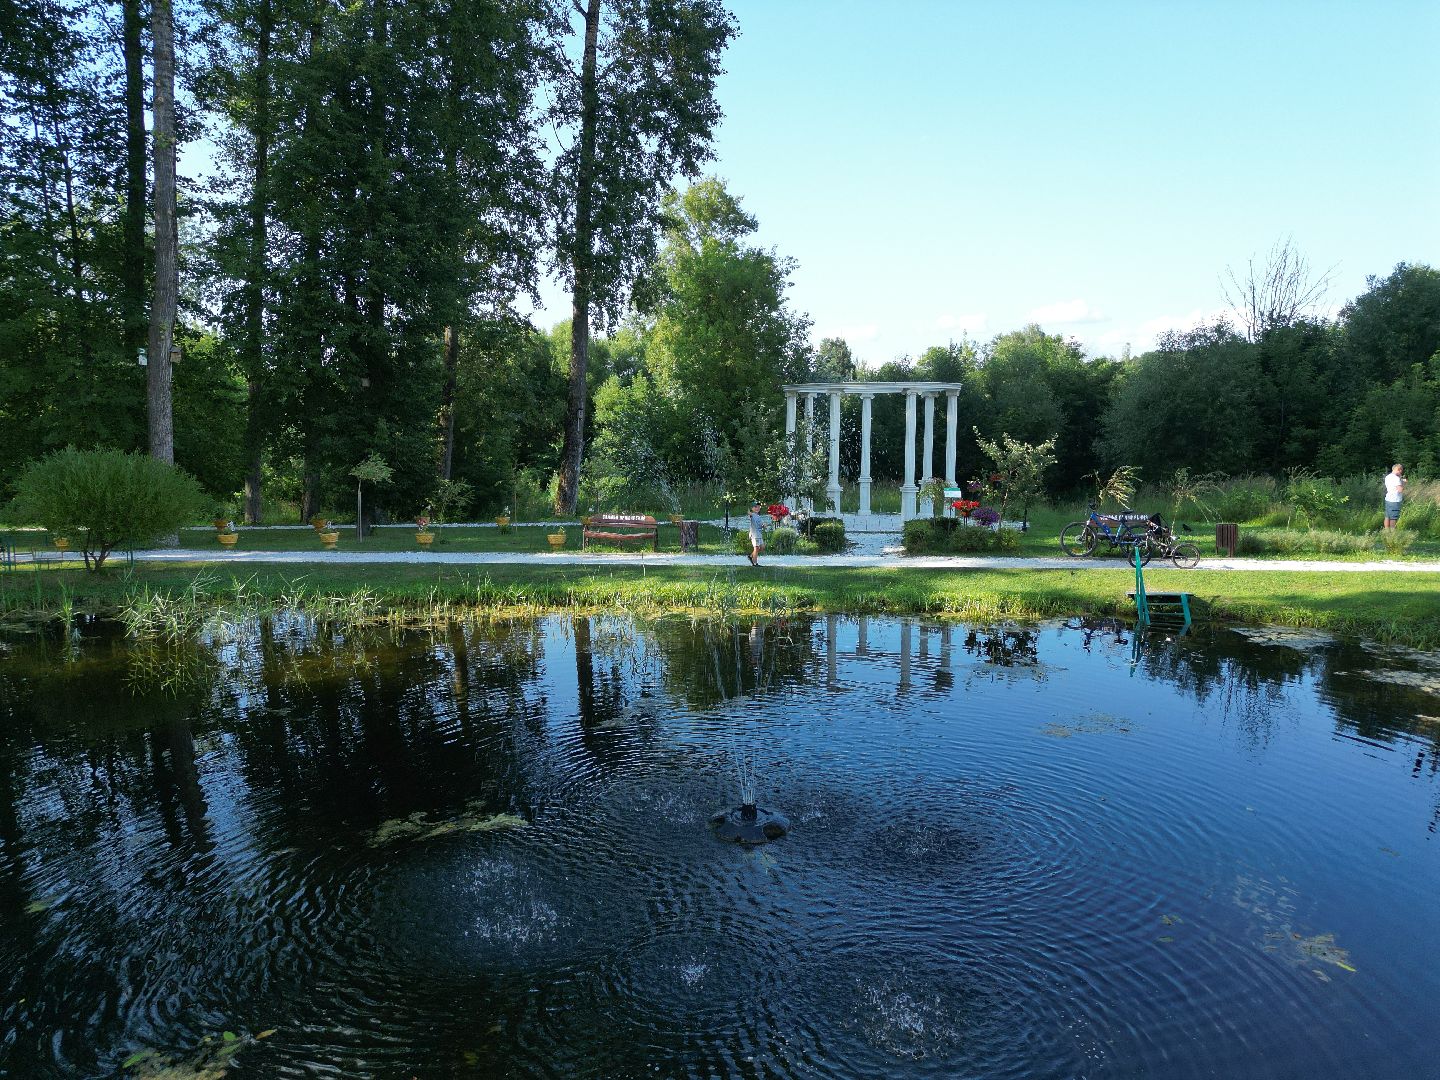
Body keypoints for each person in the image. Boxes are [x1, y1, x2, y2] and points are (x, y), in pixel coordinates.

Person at [1384, 464, 1406, 530]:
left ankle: (1386, 532)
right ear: (1399, 469)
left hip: (1388, 498)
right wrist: (1403, 484)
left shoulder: (1388, 476)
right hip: (1395, 500)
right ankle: (1393, 533)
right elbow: (1400, 489)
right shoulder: (1396, 478)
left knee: (1387, 516)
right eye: (1401, 470)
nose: (1401, 472)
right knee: (1393, 517)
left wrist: (1401, 480)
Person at [747, 500, 767, 566]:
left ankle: (751, 556)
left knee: (762, 547)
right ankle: (755, 563)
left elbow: (761, 524)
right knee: (756, 548)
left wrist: (764, 525)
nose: (757, 508)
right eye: (755, 507)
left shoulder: (758, 516)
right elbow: (749, 514)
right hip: (755, 535)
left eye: (758, 507)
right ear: (752, 508)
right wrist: (749, 511)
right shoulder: (752, 515)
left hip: (759, 534)